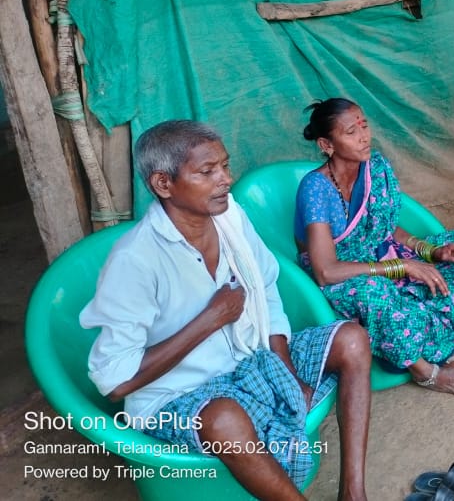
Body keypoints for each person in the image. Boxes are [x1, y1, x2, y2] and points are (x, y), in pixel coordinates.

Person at [81, 120, 371, 501]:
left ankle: (354, 493)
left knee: (351, 338)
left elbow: (265, 284)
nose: (226, 180)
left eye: (224, 166)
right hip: (179, 394)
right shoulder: (135, 261)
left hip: (249, 361)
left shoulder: (228, 215)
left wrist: (284, 368)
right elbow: (115, 382)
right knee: (223, 417)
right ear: (163, 184)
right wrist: (210, 320)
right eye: (207, 172)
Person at [294, 98, 454, 397]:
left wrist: (429, 252)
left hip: (383, 253)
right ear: (327, 144)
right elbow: (326, 270)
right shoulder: (315, 188)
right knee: (376, 293)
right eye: (351, 131)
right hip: (344, 274)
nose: (364, 136)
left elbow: (384, 228)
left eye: (364, 125)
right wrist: (401, 267)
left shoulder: (374, 167)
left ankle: (448, 347)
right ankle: (426, 372)